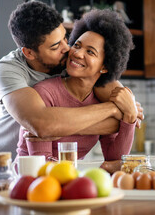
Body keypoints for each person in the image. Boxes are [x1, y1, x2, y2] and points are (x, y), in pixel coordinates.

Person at [0, 0, 144, 183]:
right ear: (29, 53)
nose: (68, 49)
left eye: (66, 38)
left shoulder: (71, 61)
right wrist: (113, 111)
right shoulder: (8, 70)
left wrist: (127, 109)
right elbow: (42, 126)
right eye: (55, 46)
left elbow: (120, 99)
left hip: (38, 165)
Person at [16, 9, 136, 170]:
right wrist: (97, 169)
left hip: (70, 179)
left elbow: (116, 158)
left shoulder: (101, 98)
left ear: (105, 67)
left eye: (90, 52)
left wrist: (130, 116)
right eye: (77, 45)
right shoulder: (45, 92)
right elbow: (42, 165)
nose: (77, 54)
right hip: (30, 182)